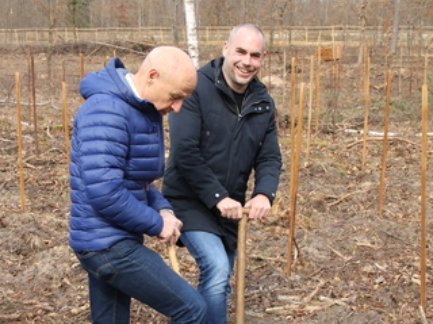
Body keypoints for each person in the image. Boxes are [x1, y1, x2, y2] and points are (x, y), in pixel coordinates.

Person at [69, 46, 207, 324]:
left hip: (109, 240)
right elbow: (105, 192)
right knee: (193, 310)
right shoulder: (107, 112)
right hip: (106, 245)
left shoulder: (138, 109)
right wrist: (156, 224)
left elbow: (137, 182)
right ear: (152, 76)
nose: (178, 107)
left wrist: (164, 209)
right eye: (176, 96)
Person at [162, 24, 282, 323]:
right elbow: (185, 151)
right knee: (216, 268)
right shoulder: (196, 87)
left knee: (220, 278)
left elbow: (269, 156)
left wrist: (264, 193)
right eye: (240, 51)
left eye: (255, 55)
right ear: (225, 48)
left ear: (262, 58)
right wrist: (217, 196)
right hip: (189, 200)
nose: (247, 61)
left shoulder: (263, 102)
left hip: (231, 207)